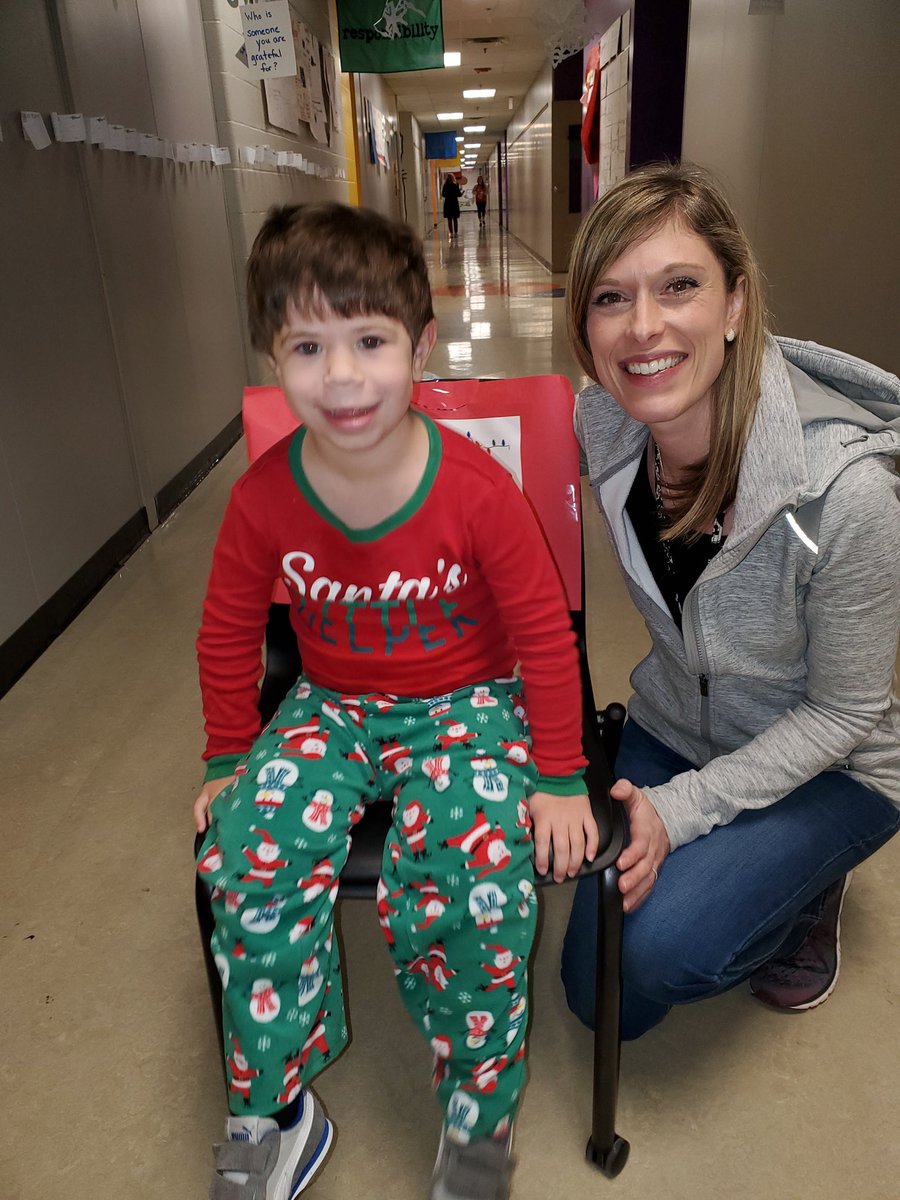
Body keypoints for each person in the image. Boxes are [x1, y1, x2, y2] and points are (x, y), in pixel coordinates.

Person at [194, 202, 598, 1200]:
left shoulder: (476, 492)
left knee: (475, 867)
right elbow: (227, 630)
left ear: (420, 347)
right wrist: (226, 754)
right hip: (331, 702)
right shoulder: (263, 498)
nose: (340, 376)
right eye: (307, 347)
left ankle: (477, 1124)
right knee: (243, 850)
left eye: (368, 341)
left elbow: (545, 635)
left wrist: (558, 775)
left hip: (469, 703)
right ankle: (275, 1113)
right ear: (273, 359)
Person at [560, 162, 900, 1042]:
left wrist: (681, 812)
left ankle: (807, 891)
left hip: (833, 763)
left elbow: (847, 712)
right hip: (675, 724)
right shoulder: (604, 422)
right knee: (601, 997)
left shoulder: (846, 493)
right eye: (610, 297)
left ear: (736, 303)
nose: (643, 326)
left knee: (660, 954)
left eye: (680, 286)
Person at [442, 172, 462, 238]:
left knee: (449, 219)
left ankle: (451, 233)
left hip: (448, 203)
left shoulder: (445, 186)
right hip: (454, 203)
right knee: (455, 219)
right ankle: (456, 233)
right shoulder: (455, 185)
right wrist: (461, 192)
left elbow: (443, 194)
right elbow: (459, 194)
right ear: (453, 178)